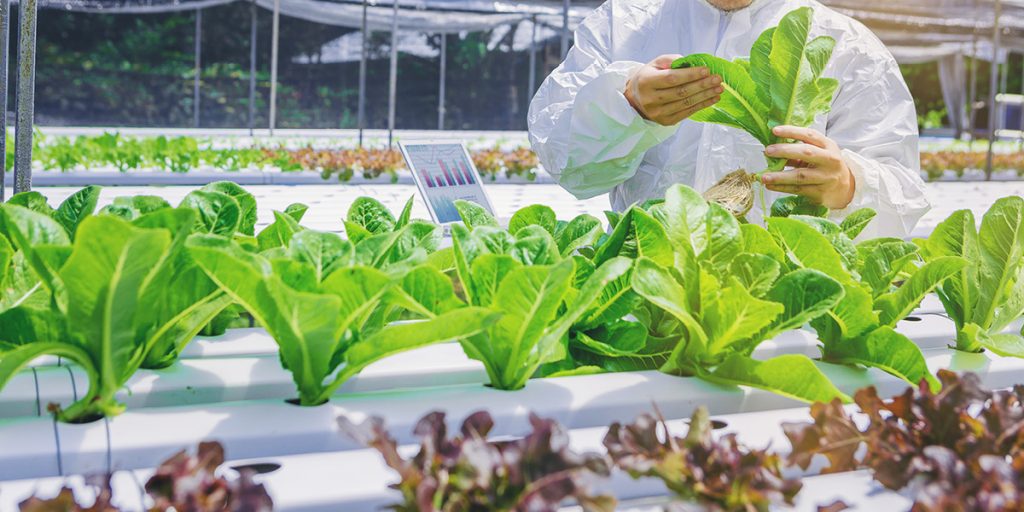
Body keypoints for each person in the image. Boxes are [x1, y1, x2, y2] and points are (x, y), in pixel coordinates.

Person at [528, 0, 929, 238]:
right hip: (648, 287)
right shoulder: (624, 23)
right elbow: (569, 164)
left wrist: (848, 186)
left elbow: (902, 196)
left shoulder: (849, 48)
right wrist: (626, 107)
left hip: (786, 302)